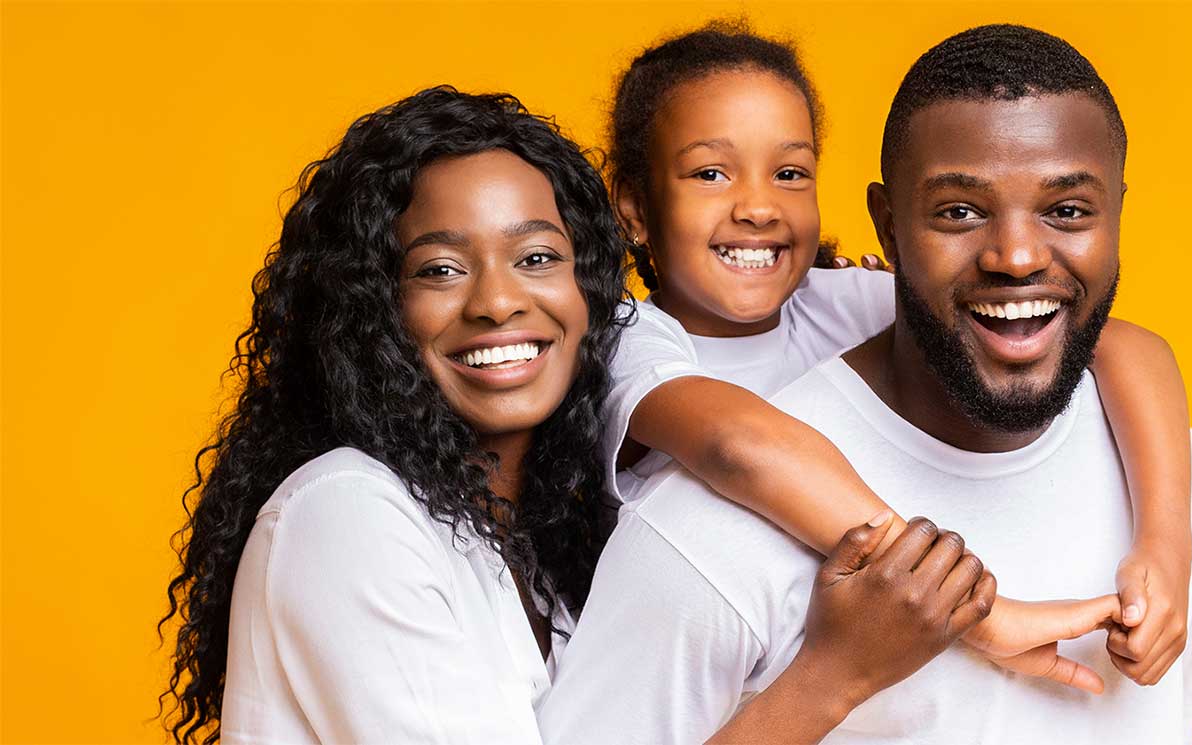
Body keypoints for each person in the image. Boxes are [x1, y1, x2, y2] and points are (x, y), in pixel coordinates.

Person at [158, 86, 993, 745]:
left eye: (536, 258)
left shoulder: (544, 544)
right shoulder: (346, 514)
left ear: (589, 289)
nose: (498, 301)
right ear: (370, 306)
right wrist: (832, 675)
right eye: (441, 268)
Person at [541, 24, 1192, 743]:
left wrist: (1165, 539)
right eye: (959, 211)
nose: (1017, 256)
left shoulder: (1179, 483)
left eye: (1066, 209)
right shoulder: (678, 486)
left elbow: (1122, 341)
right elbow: (737, 442)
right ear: (891, 227)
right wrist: (975, 607)